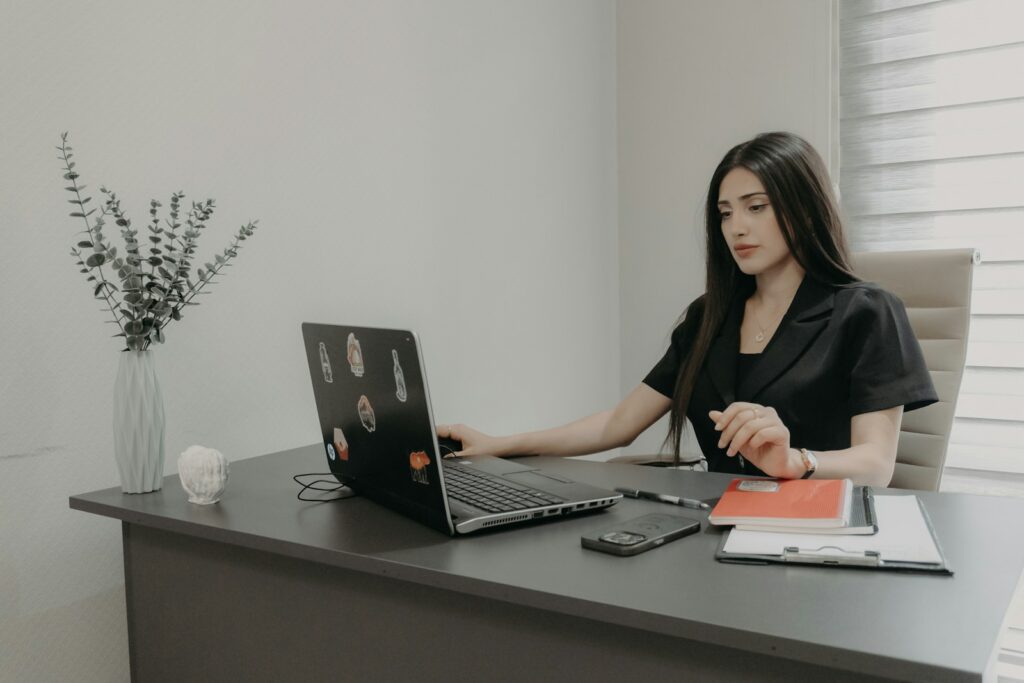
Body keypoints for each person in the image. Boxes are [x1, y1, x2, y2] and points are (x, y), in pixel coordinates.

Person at [437, 132, 937, 486]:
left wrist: (795, 461)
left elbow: (876, 465)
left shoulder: (867, 312)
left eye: (755, 207)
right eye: (725, 213)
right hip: (716, 529)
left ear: (804, 209)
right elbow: (617, 424)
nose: (736, 227)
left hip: (815, 535)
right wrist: (498, 444)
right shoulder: (709, 318)